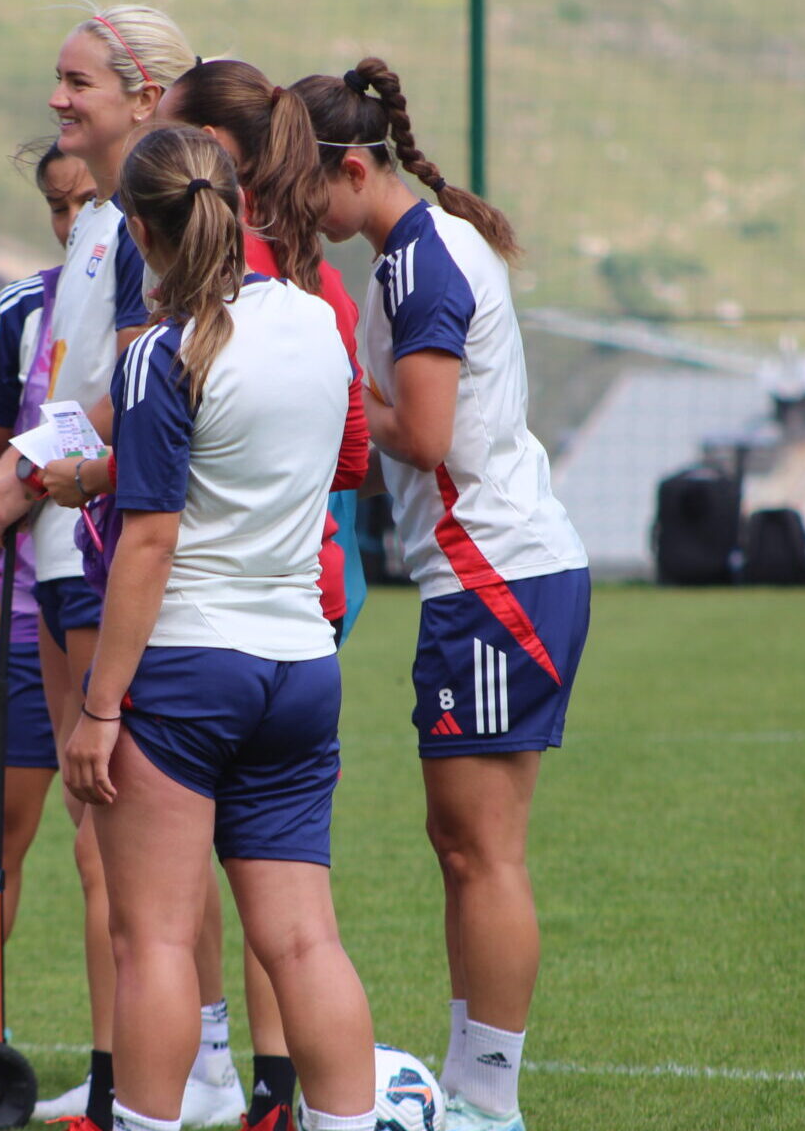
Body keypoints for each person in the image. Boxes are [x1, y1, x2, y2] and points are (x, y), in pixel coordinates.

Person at [46, 56, 374, 1131]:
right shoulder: (320, 323)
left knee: (152, 941)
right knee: (304, 942)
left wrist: (99, 709)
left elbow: (150, 544)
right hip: (300, 664)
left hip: (189, 671)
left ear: (138, 236)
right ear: (236, 207)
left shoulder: (160, 354)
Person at [295, 58, 591, 1131]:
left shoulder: (420, 262)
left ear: (356, 169)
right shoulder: (404, 256)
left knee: (482, 849)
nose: (292, 206)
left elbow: (419, 433)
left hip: (497, 578)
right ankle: (473, 1087)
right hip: (483, 578)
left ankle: (490, 1099)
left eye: (301, 183)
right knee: (460, 845)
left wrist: (311, 385)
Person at [0, 3, 246, 1130]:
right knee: (133, 850)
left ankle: (128, 1083)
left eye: (77, 80)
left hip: (100, 550)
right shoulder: (98, 221)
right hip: (64, 550)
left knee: (117, 855)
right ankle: (207, 1068)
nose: (56, 99)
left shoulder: (148, 221)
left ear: (143, 95)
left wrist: (28, 466)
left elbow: (142, 382)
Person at [0, 138, 95, 938]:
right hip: (20, 617)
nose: (71, 221)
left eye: (85, 203)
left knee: (108, 847)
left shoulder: (148, 305)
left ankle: (124, 1063)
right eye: (56, 205)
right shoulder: (21, 310)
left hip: (105, 609)